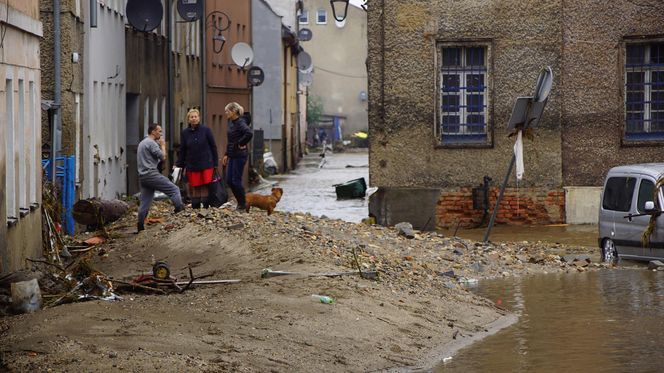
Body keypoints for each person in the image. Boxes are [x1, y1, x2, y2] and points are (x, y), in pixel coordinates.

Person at [137, 123, 184, 232]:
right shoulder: (151, 143)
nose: (161, 134)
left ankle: (140, 225)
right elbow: (163, 156)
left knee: (145, 201)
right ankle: (180, 211)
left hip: (143, 176)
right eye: (159, 131)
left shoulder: (142, 143)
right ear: (153, 132)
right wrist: (163, 145)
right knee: (174, 189)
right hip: (151, 174)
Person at [176, 108, 219, 209]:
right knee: (195, 185)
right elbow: (182, 150)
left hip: (206, 163)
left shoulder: (206, 130)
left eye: (195, 117)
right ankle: (195, 205)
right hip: (192, 164)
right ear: (188, 119)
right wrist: (179, 164)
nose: (194, 119)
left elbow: (213, 146)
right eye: (192, 117)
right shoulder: (185, 133)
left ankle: (206, 206)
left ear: (199, 118)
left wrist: (215, 162)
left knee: (205, 185)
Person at [223, 102, 253, 211]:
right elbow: (230, 141)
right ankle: (241, 202)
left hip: (240, 155)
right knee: (229, 180)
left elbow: (249, 133)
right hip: (232, 154)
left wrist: (241, 143)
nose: (225, 113)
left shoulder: (240, 122)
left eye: (227, 111)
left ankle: (242, 204)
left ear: (234, 112)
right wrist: (226, 154)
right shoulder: (232, 123)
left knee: (236, 180)